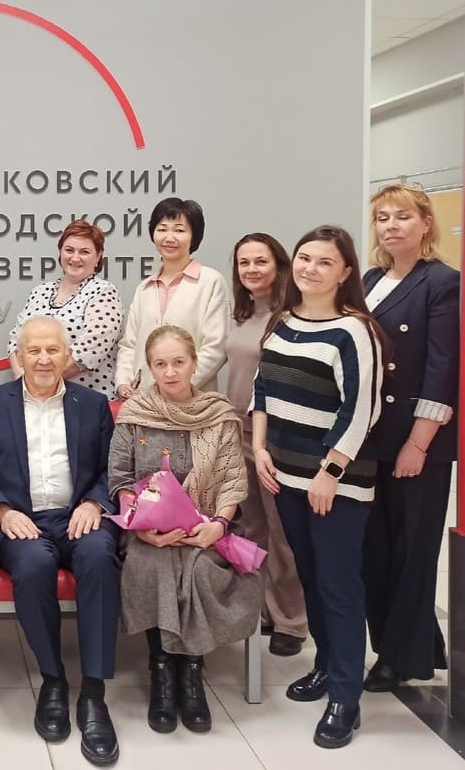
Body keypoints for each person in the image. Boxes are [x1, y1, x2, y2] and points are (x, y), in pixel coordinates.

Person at [251, 226, 385, 749]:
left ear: (345, 272)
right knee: (310, 577)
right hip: (284, 475)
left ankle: (346, 698)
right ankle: (327, 666)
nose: (310, 268)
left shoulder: (355, 331)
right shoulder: (283, 321)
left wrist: (330, 473)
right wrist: (261, 447)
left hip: (334, 485)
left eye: (324, 262)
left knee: (338, 586)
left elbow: (361, 409)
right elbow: (263, 387)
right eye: (304, 258)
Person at [0, 317, 120, 767]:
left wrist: (94, 503)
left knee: (99, 556)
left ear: (67, 355)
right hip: (18, 520)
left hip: (79, 514)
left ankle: (93, 691)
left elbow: (111, 469)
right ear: (19, 355)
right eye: (33, 350)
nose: (42, 359)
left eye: (52, 350)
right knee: (34, 565)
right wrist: (1, 510)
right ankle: (53, 679)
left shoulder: (93, 404)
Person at [110, 325, 261, 735]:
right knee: (153, 566)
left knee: (198, 569)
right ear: (150, 368)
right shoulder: (134, 415)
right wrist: (141, 526)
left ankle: (191, 672)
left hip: (208, 526)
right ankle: (162, 671)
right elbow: (120, 480)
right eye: (160, 364)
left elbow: (232, 480)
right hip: (147, 531)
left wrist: (218, 525)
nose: (170, 372)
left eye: (179, 362)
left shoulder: (218, 415)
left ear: (195, 364)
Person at [360, 185, 459, 692]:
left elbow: (444, 368)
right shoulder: (371, 279)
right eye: (382, 217)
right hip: (372, 434)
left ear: (425, 223)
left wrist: (418, 443)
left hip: (416, 439)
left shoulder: (442, 281)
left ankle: (398, 658)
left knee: (411, 550)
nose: (391, 226)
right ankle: (417, 643)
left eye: (402, 216)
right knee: (377, 548)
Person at [225, 233, 308, 657]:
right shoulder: (241, 314)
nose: (252, 269)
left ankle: (291, 619)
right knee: (251, 525)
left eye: (260, 261)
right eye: (244, 263)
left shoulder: (291, 316)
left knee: (282, 530)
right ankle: (260, 608)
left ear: (279, 265)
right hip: (237, 431)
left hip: (275, 436)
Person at [116, 197, 229, 399]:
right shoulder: (144, 288)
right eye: (162, 229)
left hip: (193, 400)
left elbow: (216, 347)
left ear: (194, 236)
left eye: (179, 230)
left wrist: (174, 387)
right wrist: (123, 381)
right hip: (143, 400)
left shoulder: (211, 281)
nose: (169, 237)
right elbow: (130, 344)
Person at [7, 219, 124, 398]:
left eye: (84, 252)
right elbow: (16, 341)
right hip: (32, 399)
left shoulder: (104, 292)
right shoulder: (40, 291)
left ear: (98, 256)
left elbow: (90, 350)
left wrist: (41, 382)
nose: (75, 258)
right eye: (69, 250)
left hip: (84, 400)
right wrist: (26, 383)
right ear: (60, 252)